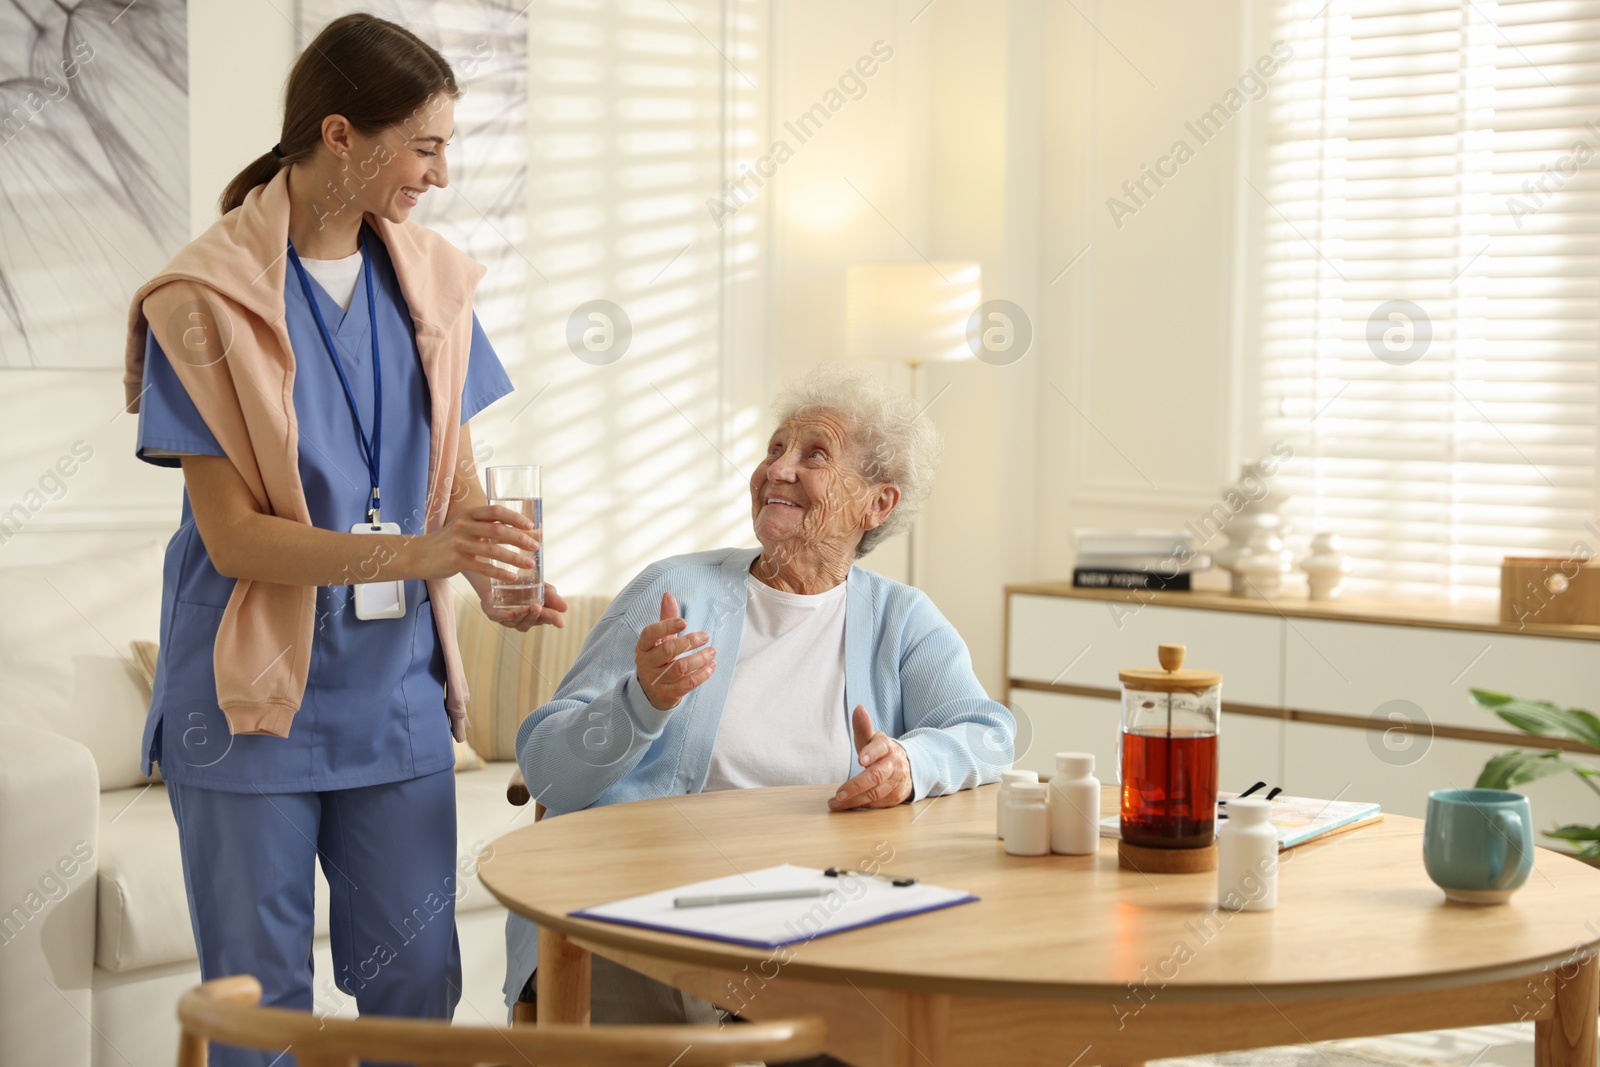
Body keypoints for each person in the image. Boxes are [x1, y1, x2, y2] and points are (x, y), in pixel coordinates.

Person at [120, 15, 566, 1065]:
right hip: (246, 707)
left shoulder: (436, 283)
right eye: (424, 147)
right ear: (340, 135)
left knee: (415, 985)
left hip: (394, 696)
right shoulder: (201, 302)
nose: (441, 175)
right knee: (260, 1003)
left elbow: (450, 458)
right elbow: (233, 539)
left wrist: (492, 576)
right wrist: (425, 556)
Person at [503, 365, 1015, 1023]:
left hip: (814, 921)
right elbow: (549, 767)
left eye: (815, 454)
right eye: (775, 448)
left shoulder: (901, 619)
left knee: (922, 1022)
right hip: (637, 909)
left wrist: (910, 766)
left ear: (877, 503)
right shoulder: (675, 589)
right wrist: (641, 703)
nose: (779, 468)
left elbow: (988, 732)